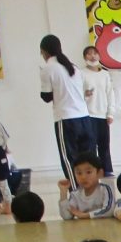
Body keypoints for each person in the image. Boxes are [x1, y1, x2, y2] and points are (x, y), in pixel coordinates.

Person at [39, 33, 93, 179]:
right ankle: (91, 189)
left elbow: (46, 97)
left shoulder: (47, 68)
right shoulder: (74, 67)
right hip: (84, 118)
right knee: (88, 159)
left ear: (43, 51)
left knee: (69, 159)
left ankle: (75, 190)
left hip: (66, 119)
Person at [82, 45, 116, 176]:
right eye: (89, 54)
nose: (92, 56)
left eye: (95, 53)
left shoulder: (105, 74)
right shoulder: (81, 73)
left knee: (104, 145)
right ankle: (91, 171)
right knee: (89, 146)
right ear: (85, 57)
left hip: (103, 115)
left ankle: (107, 170)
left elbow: (110, 94)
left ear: (99, 56)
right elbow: (76, 93)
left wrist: (110, 113)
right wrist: (85, 94)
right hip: (88, 115)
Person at [59, 153, 116, 220]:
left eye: (88, 172)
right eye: (79, 173)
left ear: (99, 173)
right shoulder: (75, 194)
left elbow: (110, 210)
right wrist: (63, 192)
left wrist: (85, 215)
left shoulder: (105, 189)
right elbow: (67, 216)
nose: (83, 177)